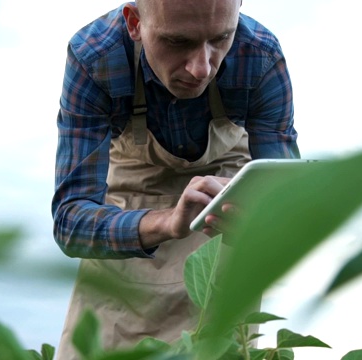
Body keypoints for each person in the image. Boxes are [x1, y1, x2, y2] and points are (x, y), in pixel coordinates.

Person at [51, 0, 300, 357]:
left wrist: (262, 220)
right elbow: (71, 222)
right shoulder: (96, 58)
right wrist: (167, 222)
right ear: (135, 22)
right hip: (128, 204)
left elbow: (284, 195)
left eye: (220, 38)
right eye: (178, 42)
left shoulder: (259, 55)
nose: (202, 68)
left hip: (222, 196)